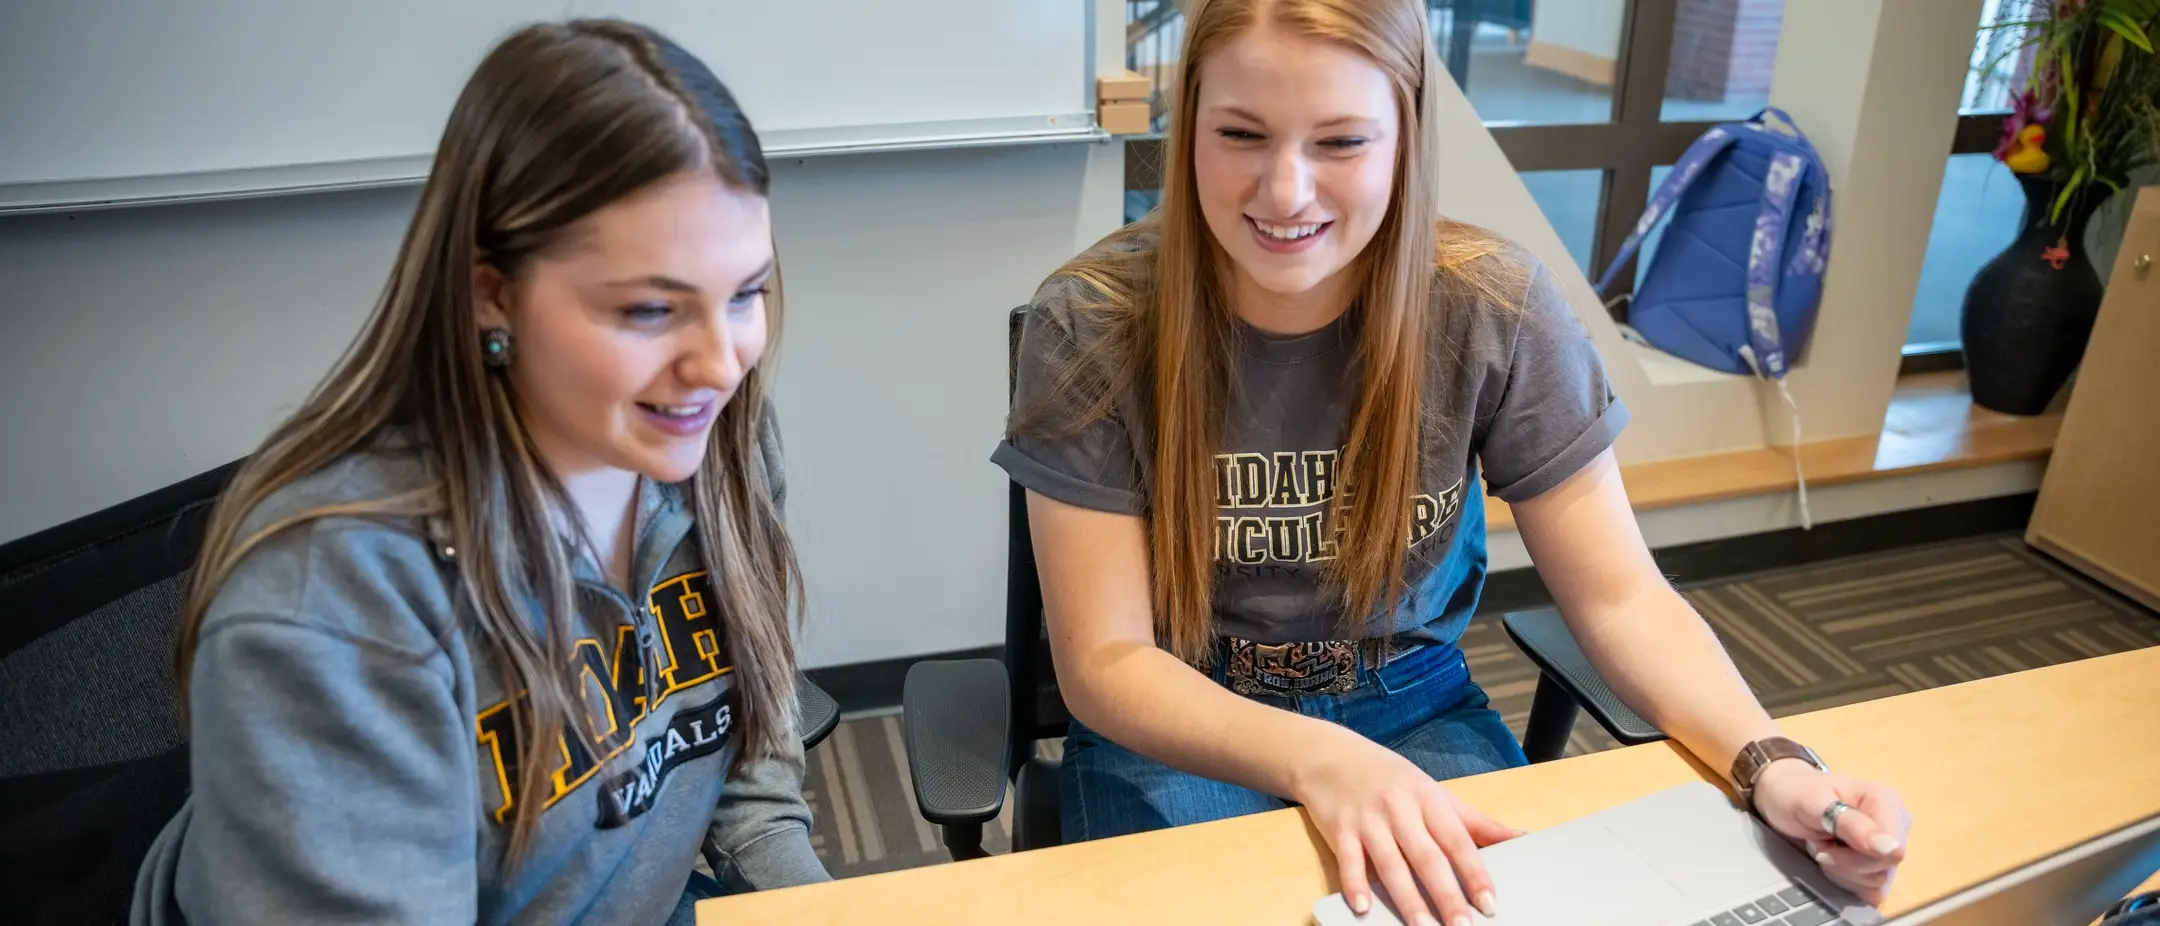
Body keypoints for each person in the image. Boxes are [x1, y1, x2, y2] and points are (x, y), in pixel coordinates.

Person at [993, 2, 1913, 925]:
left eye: (1342, 142)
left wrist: (1771, 764)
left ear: (1406, 139)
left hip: (1409, 701)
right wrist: (1326, 763)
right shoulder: (1094, 321)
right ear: (1187, 125)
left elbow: (1620, 596)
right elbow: (1106, 661)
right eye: (1240, 134)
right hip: (1182, 714)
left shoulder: (1491, 308)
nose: (1284, 192)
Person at [130, 20, 827, 925]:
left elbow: (751, 764)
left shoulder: (721, 447)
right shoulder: (335, 599)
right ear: (491, 293)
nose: (718, 364)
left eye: (745, 295)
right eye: (653, 310)